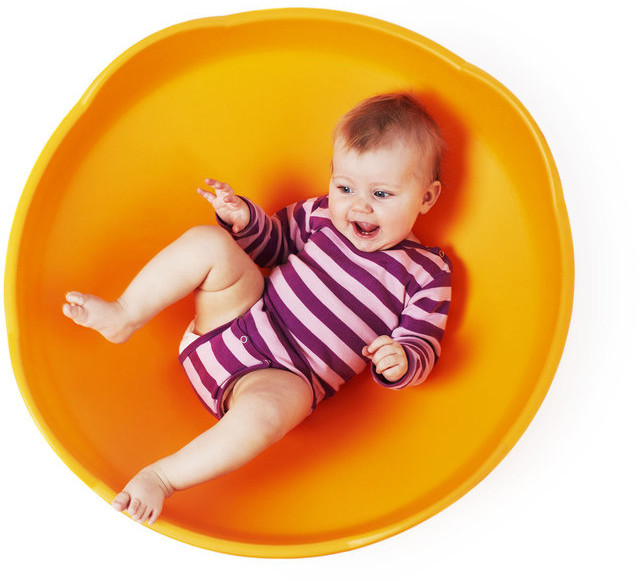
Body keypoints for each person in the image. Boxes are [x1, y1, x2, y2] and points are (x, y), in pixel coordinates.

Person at [62, 92, 452, 526]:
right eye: (344, 187)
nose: (358, 205)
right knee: (210, 242)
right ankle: (124, 314)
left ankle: (163, 477)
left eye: (381, 193)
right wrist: (245, 220)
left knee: (268, 416)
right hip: (236, 318)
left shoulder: (426, 273)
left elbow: (422, 343)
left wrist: (402, 360)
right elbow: (272, 246)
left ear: (426, 197)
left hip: (284, 376)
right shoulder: (320, 215)